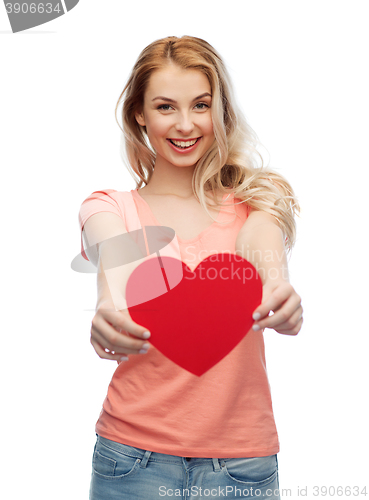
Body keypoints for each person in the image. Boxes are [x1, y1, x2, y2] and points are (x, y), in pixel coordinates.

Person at [78, 35, 303, 500]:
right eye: (165, 107)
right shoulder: (110, 206)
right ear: (138, 113)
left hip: (242, 465)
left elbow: (260, 241)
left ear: (219, 111)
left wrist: (277, 287)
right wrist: (109, 303)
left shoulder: (257, 198)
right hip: (130, 460)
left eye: (201, 105)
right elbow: (114, 252)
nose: (185, 124)